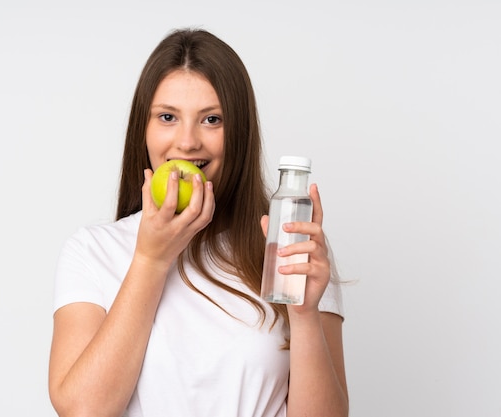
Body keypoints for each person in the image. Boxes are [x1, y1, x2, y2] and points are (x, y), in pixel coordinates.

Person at [48, 28, 348, 417]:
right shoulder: (93, 251)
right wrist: (151, 260)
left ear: (240, 133)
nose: (187, 142)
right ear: (144, 128)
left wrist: (305, 316)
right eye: (168, 117)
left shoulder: (288, 249)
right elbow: (83, 410)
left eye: (211, 119)